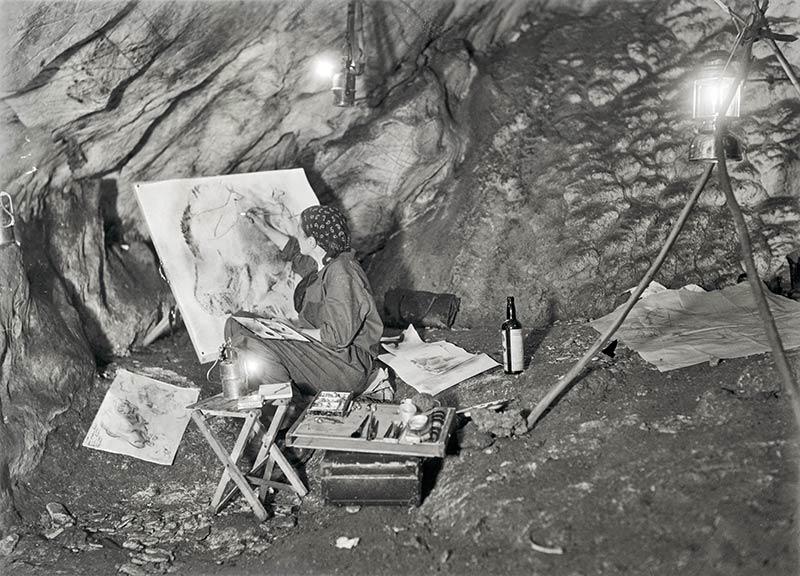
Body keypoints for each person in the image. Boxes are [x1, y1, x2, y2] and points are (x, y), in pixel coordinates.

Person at [224, 204, 383, 398]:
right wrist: (263, 226)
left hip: (345, 367)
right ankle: (259, 390)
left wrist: (292, 331)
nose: (297, 235)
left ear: (312, 242)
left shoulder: (342, 273)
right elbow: (293, 251)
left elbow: (336, 337)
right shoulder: (324, 262)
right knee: (236, 322)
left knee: (250, 343)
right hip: (325, 352)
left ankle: (285, 410)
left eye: (300, 231)